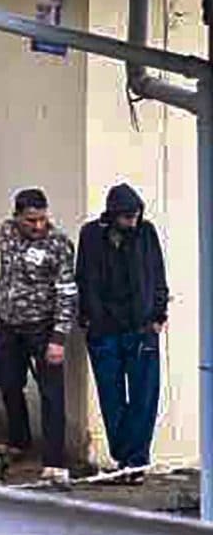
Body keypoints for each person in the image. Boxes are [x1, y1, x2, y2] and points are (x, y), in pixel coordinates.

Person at [77, 183, 170, 471]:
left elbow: (157, 274)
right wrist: (88, 317)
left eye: (136, 216)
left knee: (144, 396)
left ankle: (136, 461)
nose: (133, 222)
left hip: (140, 326)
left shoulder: (146, 233)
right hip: (104, 329)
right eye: (127, 217)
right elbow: (83, 276)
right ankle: (124, 456)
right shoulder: (92, 235)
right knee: (111, 396)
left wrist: (158, 315)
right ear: (114, 215)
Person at [0, 187, 77, 481]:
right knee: (9, 383)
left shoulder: (59, 245)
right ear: (17, 218)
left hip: (42, 327)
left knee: (51, 393)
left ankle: (54, 460)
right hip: (11, 325)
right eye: (30, 221)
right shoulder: (6, 233)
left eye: (42, 219)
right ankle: (19, 439)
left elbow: (66, 293)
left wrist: (59, 338)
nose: (38, 226)